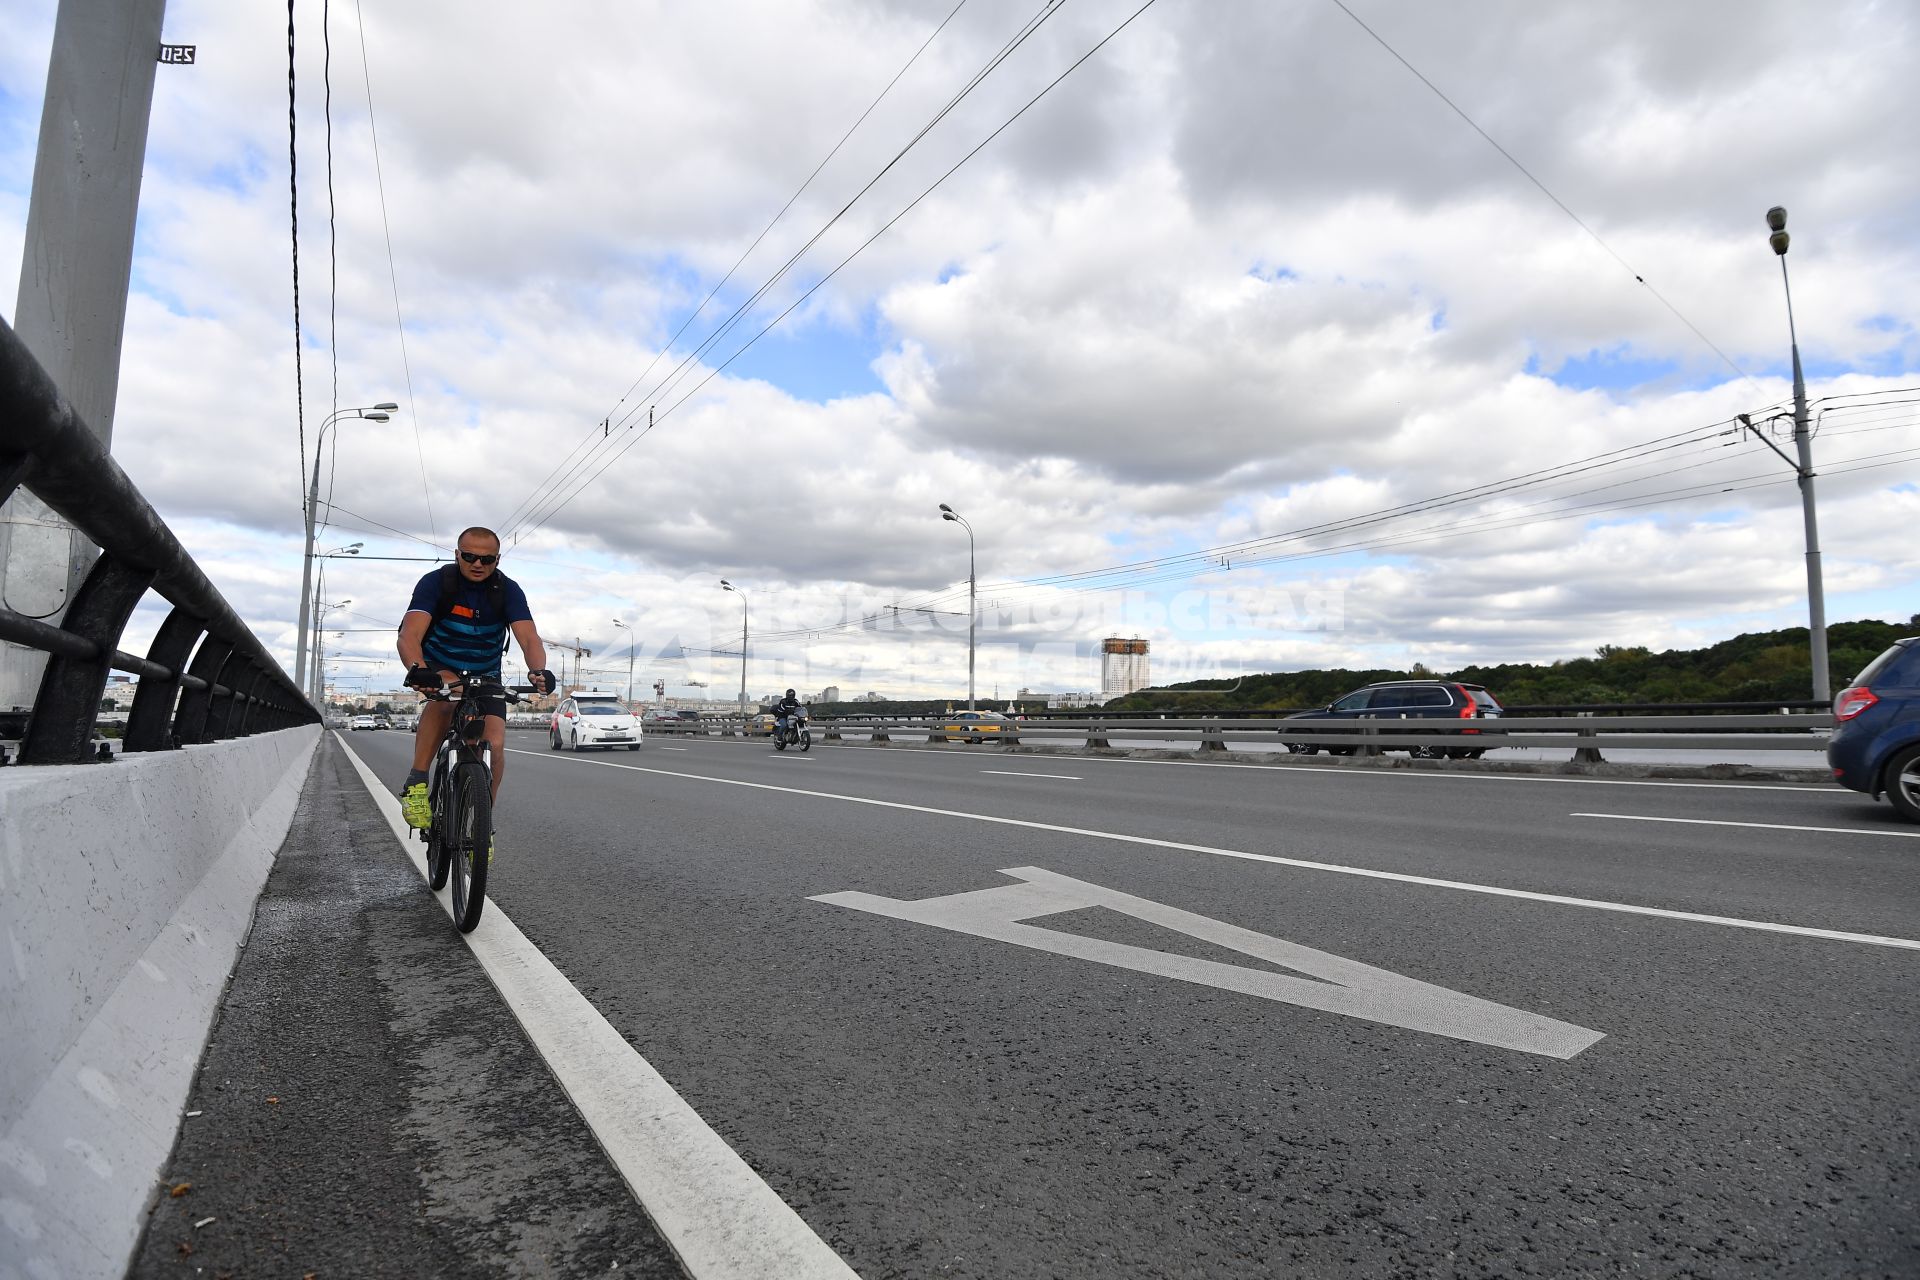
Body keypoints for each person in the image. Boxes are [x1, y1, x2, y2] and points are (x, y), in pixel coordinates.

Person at [395, 527, 554, 842]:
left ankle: (482, 826)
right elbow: (409, 635)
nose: (478, 564)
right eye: (469, 557)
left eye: (487, 559)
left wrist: (538, 670)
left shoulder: (507, 590)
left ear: (497, 559)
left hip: (486, 674)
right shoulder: (436, 583)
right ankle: (416, 783)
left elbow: (528, 637)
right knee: (447, 696)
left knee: (493, 747)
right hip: (440, 666)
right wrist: (418, 670)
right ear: (457, 555)